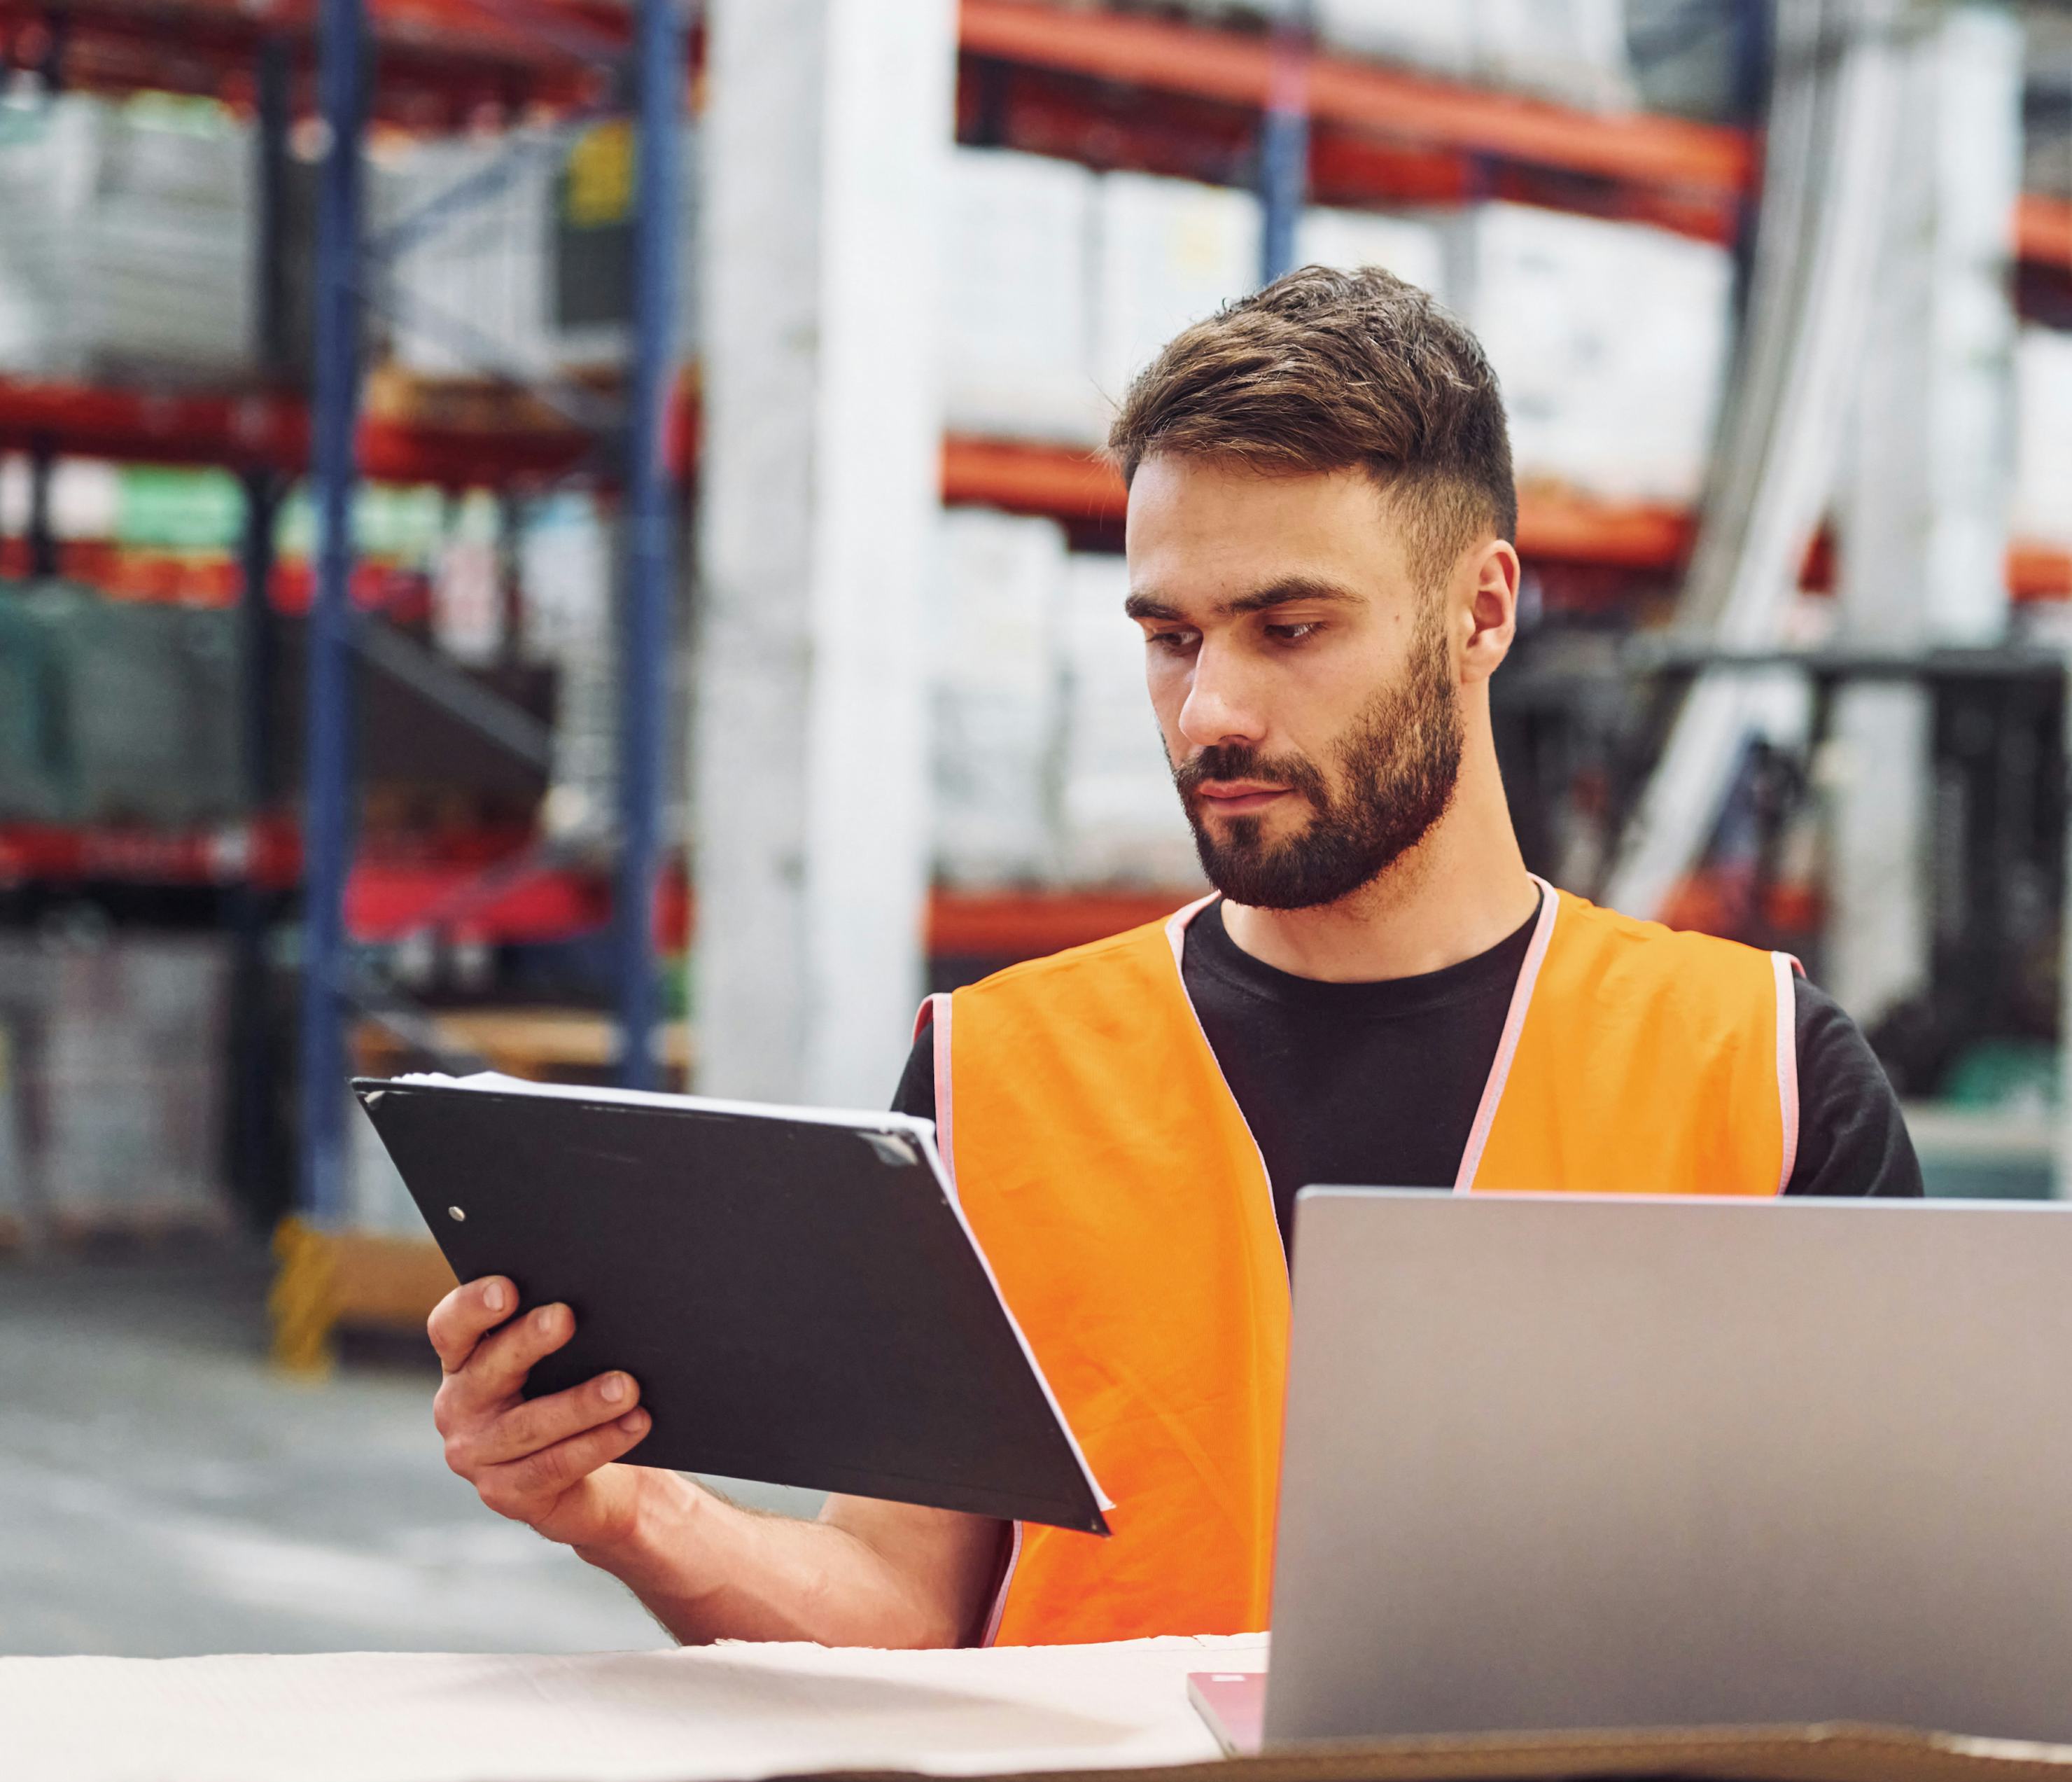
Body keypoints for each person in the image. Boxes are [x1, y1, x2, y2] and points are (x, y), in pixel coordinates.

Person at [425, 267, 1920, 1655]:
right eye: (1171, 636)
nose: (1210, 709)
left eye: (1288, 626)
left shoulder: (1763, 1076)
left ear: (1482, 607)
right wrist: (631, 1512)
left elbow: (1883, 1611)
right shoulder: (997, 1070)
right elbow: (904, 1603)